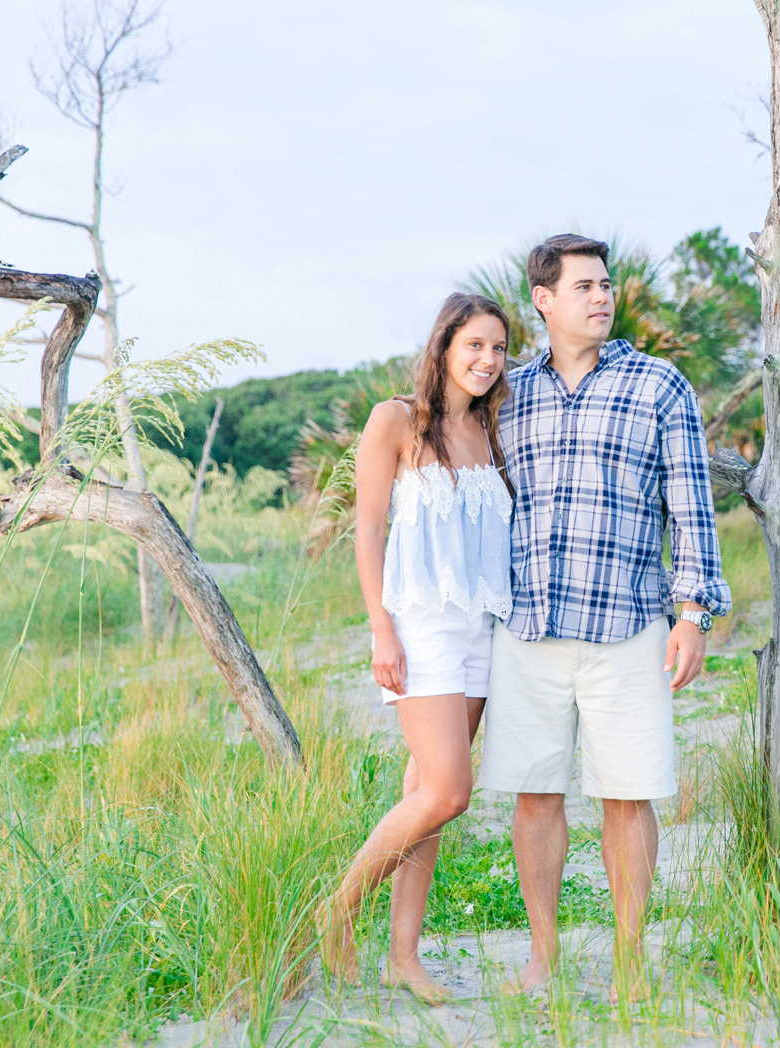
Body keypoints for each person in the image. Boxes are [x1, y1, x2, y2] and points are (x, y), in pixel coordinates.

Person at [477, 234, 732, 1000]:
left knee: (629, 793)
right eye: (583, 285)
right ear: (544, 301)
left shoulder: (660, 386)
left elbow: (692, 508)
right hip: (529, 627)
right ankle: (544, 956)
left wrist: (694, 613)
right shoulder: (508, 394)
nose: (601, 296)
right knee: (536, 795)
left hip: (628, 625)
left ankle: (629, 960)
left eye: (606, 284)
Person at [320, 293, 513, 1001]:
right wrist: (381, 627)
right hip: (421, 623)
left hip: (482, 626)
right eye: (474, 346)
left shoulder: (495, 433)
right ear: (444, 347)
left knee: (424, 795)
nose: (487, 360)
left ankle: (404, 956)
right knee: (448, 791)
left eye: (498, 348)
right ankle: (336, 914)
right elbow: (368, 530)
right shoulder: (396, 421)